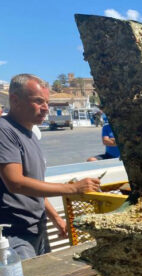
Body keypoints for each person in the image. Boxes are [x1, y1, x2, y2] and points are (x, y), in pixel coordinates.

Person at [0, 74, 101, 259]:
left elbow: (34, 185)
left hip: (37, 227)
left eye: (47, 102)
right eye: (38, 101)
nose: (46, 108)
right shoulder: (4, 131)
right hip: (14, 234)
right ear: (15, 100)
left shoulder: (30, 135)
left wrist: (56, 218)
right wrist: (73, 188)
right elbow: (16, 183)